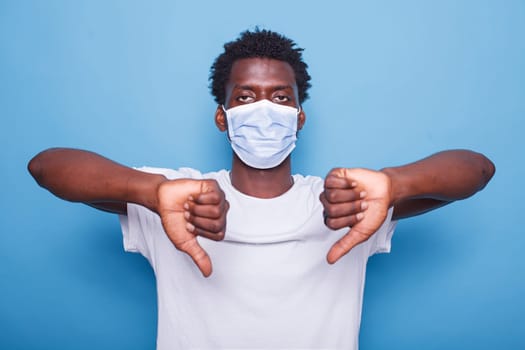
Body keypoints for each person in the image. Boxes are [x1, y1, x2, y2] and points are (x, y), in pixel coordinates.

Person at [28, 29, 495, 349]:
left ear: (299, 117)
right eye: (245, 97)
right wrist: (149, 190)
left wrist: (395, 184)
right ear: (222, 116)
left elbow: (477, 170)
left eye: (281, 97)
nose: (264, 109)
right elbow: (47, 167)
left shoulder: (347, 201)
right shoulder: (179, 196)